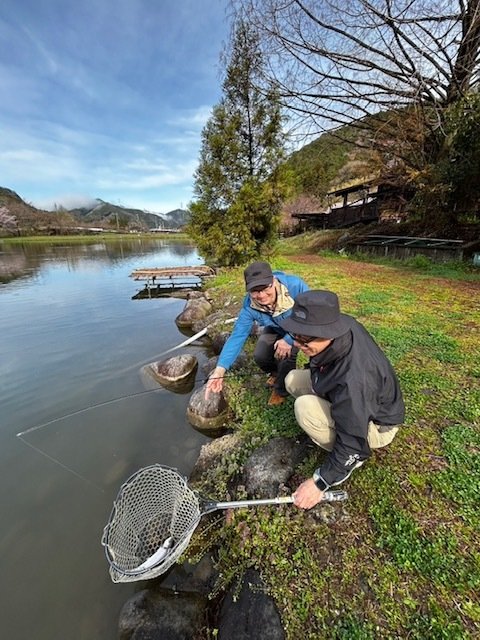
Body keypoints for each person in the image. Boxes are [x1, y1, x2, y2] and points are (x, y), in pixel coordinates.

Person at [279, 290, 405, 510]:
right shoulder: (341, 327)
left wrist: (320, 482)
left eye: (305, 338)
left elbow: (353, 441)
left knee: (304, 407)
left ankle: (354, 461)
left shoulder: (355, 380)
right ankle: (332, 414)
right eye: (295, 334)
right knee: (292, 380)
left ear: (328, 333)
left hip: (375, 426)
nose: (297, 343)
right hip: (354, 398)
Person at [205, 261, 309, 405]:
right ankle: (275, 374)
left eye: (265, 288)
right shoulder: (249, 306)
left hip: (299, 328)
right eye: (255, 291)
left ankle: (281, 391)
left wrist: (289, 339)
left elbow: (310, 317)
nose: (261, 295)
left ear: (273, 281)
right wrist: (219, 371)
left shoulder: (296, 286)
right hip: (275, 327)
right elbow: (237, 336)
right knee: (260, 356)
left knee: (286, 355)